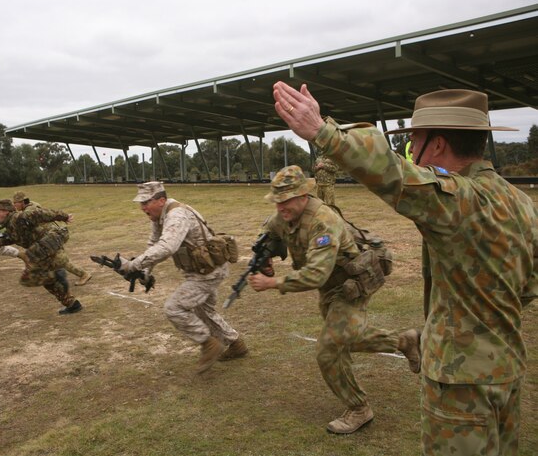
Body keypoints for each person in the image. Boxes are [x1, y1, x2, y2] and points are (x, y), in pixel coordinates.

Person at [273, 83, 536, 455]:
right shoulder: (521, 202)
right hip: (507, 368)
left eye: (414, 140)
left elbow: (392, 173)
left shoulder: (459, 199)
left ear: (439, 145)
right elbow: (528, 285)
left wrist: (322, 132)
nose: (412, 151)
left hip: (460, 380)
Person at [247, 165, 420, 434]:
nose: (281, 207)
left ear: (304, 196)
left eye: (287, 200)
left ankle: (359, 408)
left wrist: (273, 282)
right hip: (330, 288)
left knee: (329, 350)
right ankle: (404, 340)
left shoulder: (323, 221)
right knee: (344, 338)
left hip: (352, 284)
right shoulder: (285, 214)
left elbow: (315, 274)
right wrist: (265, 257)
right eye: (277, 201)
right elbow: (270, 234)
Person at [119, 181, 248, 374]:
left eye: (146, 202)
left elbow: (167, 247)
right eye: (141, 203)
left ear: (161, 200)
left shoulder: (176, 215)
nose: (142, 207)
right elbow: (154, 243)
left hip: (206, 273)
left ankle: (208, 343)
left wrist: (134, 265)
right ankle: (236, 344)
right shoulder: (159, 217)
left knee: (175, 308)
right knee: (203, 312)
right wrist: (145, 272)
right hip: (203, 270)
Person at [0, 199, 83, 315]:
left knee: (31, 266)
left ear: (6, 211)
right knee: (43, 280)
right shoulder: (11, 225)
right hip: (42, 246)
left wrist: (64, 216)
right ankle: (72, 304)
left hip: (52, 238)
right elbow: (15, 237)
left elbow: (42, 214)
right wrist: (0, 242)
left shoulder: (20, 217)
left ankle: (56, 273)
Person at [13, 191, 92, 286]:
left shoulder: (29, 211)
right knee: (54, 260)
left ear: (22, 202)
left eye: (15, 203)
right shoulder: (32, 205)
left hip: (51, 237)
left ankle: (84, 274)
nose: (14, 205)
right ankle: (60, 278)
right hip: (50, 236)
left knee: (60, 259)